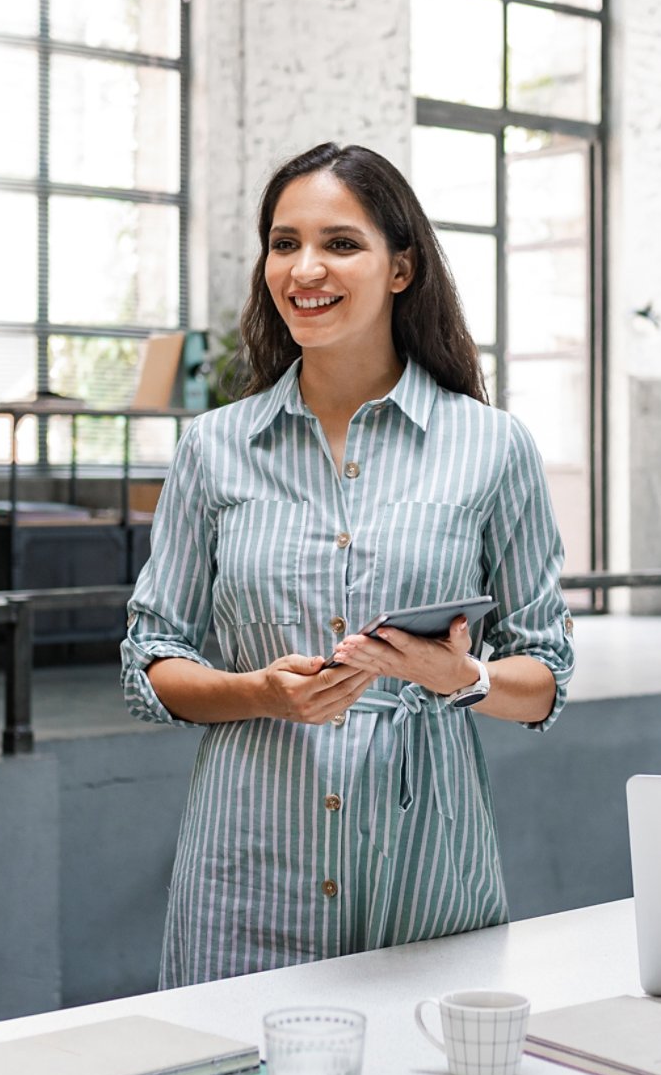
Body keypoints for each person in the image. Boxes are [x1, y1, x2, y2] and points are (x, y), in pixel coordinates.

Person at [122, 142, 574, 987]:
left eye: (340, 243)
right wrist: (260, 692)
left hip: (427, 874)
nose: (304, 268)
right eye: (284, 243)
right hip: (248, 874)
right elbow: (152, 660)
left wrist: (461, 675)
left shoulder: (491, 447)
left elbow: (545, 673)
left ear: (401, 268)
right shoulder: (213, 449)